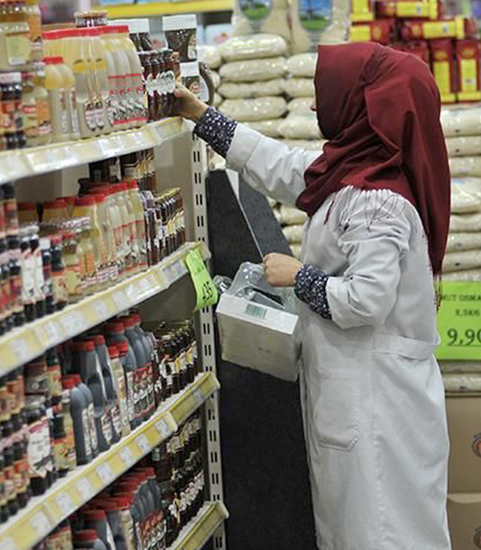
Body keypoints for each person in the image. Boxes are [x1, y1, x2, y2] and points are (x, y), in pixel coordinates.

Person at [175, 42, 451, 550]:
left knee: (380, 534)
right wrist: (201, 116)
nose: (311, 106)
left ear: (361, 106)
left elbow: (366, 301)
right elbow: (280, 165)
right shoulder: (352, 174)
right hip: (360, 398)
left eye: (327, 95)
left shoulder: (379, 202)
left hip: (377, 406)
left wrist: (298, 276)